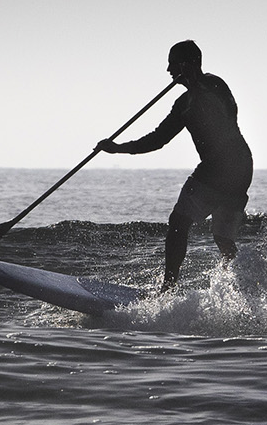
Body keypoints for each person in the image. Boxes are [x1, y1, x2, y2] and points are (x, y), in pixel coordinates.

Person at [98, 40, 253, 292]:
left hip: (227, 167)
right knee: (222, 237)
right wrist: (118, 148)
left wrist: (194, 85)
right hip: (239, 168)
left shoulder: (215, 85)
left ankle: (168, 288)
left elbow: (219, 108)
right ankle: (245, 287)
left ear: (186, 64)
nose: (169, 71)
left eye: (172, 64)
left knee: (179, 221)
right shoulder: (183, 104)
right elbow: (157, 140)